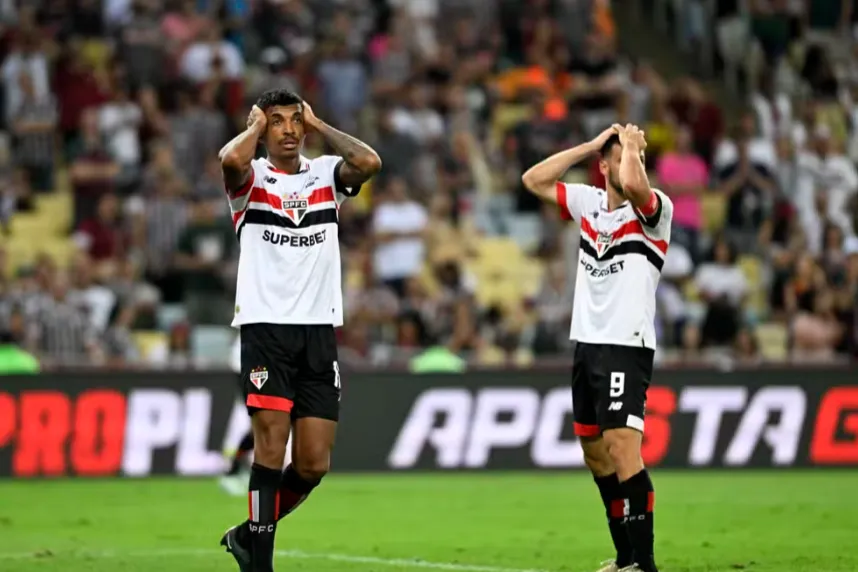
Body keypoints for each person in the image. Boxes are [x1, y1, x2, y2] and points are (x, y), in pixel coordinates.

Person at [217, 89, 382, 572]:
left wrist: (321, 123)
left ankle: (248, 535)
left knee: (312, 464)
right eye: (277, 122)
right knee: (270, 447)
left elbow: (368, 162)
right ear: (263, 129)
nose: (288, 130)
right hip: (266, 328)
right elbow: (230, 158)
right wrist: (251, 128)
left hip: (317, 331)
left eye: (295, 121)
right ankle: (261, 564)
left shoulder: (326, 174)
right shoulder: (250, 180)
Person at [522, 124, 673, 572]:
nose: (632, 161)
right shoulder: (589, 204)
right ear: (602, 165)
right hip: (586, 343)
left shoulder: (654, 211)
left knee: (624, 449)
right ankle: (625, 554)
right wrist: (589, 145)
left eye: (637, 156)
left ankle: (643, 563)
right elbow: (534, 180)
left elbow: (633, 184)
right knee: (595, 454)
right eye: (622, 154)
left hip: (624, 344)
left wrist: (630, 148)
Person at [219, 333, 255, 496]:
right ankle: (233, 470)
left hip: (262, 363)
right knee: (260, 425)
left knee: (263, 426)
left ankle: (237, 468)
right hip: (248, 364)